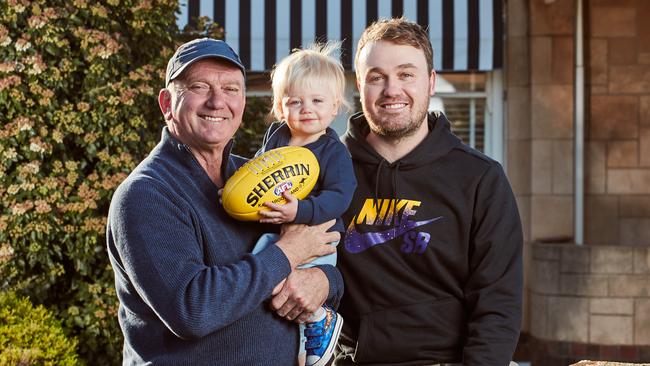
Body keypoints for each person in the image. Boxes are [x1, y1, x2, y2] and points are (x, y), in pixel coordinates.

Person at [106, 38, 343, 365]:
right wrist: (289, 253)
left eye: (231, 89)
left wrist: (323, 281)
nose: (217, 102)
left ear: (243, 102)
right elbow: (192, 310)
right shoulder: (146, 194)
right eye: (199, 86)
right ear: (166, 103)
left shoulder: (256, 177)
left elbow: (324, 246)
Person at [335, 18, 523, 366]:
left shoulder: (480, 178)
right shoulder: (330, 172)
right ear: (359, 85)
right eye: (377, 77)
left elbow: (498, 305)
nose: (392, 90)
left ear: (430, 82)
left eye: (406, 74)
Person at [246, 42, 356, 366]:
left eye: (317, 101)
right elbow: (257, 171)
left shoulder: (332, 151)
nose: (306, 108)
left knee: (294, 286)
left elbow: (341, 195)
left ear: (334, 107)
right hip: (276, 235)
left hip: (317, 241)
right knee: (257, 277)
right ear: (281, 107)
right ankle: (295, 330)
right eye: (296, 101)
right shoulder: (277, 138)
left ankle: (318, 319)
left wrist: (301, 211)